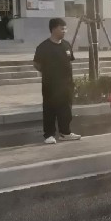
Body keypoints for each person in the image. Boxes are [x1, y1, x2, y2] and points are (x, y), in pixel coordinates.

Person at [32, 17, 81, 145]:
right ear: (53, 29)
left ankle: (65, 132)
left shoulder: (66, 44)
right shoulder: (43, 47)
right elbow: (36, 64)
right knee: (50, 109)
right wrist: (49, 73)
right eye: (62, 28)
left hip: (66, 85)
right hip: (50, 85)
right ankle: (49, 134)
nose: (64, 31)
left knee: (66, 109)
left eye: (65, 28)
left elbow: (69, 62)